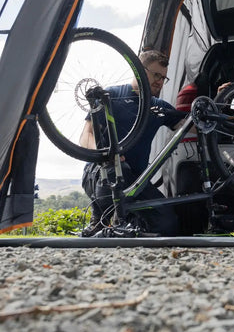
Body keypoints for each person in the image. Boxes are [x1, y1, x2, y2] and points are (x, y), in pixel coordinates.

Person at [79, 49, 186, 236]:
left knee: (167, 224)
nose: (160, 82)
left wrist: (220, 103)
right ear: (138, 69)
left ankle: (126, 224)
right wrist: (106, 155)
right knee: (120, 171)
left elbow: (192, 124)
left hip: (136, 181)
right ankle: (102, 218)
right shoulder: (111, 95)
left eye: (163, 78)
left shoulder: (159, 106)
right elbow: (86, 136)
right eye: (156, 75)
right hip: (102, 174)